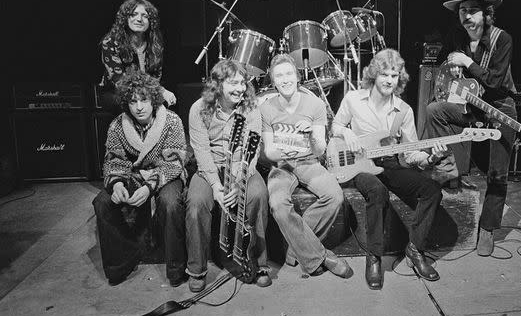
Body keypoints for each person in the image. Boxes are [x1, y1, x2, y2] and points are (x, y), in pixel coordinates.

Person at [331, 48, 447, 289]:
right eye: (384, 74)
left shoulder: (403, 111)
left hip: (390, 163)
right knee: (377, 192)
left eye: (394, 76)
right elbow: (335, 126)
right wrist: (347, 132)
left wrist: (431, 158)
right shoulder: (353, 99)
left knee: (432, 190)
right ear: (374, 74)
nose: (389, 80)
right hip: (359, 164)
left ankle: (415, 249)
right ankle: (374, 257)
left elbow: (411, 152)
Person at [424, 0, 517, 257]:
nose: (467, 16)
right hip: (472, 106)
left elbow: (495, 80)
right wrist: (451, 78)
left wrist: (467, 63)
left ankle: (487, 229)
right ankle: (449, 169)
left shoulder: (503, 39)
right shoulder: (458, 37)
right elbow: (448, 72)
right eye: (463, 10)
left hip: (500, 107)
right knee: (434, 110)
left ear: (487, 13)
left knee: (497, 173)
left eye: (473, 10)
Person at [260, 53, 353, 278]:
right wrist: (285, 151)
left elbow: (320, 150)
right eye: (279, 75)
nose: (285, 79)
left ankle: (295, 249)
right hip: (282, 166)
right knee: (278, 204)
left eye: (289, 74)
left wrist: (311, 134)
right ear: (273, 80)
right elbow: (269, 151)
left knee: (335, 196)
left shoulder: (315, 104)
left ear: (297, 76)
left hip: (310, 162)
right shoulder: (266, 108)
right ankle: (319, 256)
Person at [92, 70, 187, 286]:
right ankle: (119, 264)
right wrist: (116, 184)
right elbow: (114, 160)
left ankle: (176, 268)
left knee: (170, 203)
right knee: (102, 202)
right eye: (133, 101)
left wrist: (149, 187)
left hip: (165, 175)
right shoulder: (118, 125)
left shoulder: (172, 121)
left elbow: (174, 163)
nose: (139, 107)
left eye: (144, 100)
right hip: (134, 175)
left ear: (153, 99)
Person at [186, 59, 272, 292]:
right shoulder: (198, 109)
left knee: (258, 194)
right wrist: (215, 186)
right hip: (210, 168)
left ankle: (259, 263)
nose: (240, 88)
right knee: (196, 203)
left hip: (240, 166)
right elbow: (201, 150)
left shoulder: (251, 108)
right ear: (218, 84)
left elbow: (252, 151)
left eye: (243, 83)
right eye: (233, 83)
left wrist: (239, 181)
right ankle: (197, 269)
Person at [99, 0, 177, 111]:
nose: (139, 19)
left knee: (166, 104)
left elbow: (155, 77)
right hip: (116, 92)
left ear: (151, 21)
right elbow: (119, 80)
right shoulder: (110, 42)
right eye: (133, 14)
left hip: (147, 91)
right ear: (125, 18)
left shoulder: (155, 44)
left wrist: (161, 92)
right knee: (132, 105)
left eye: (145, 16)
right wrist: (157, 92)